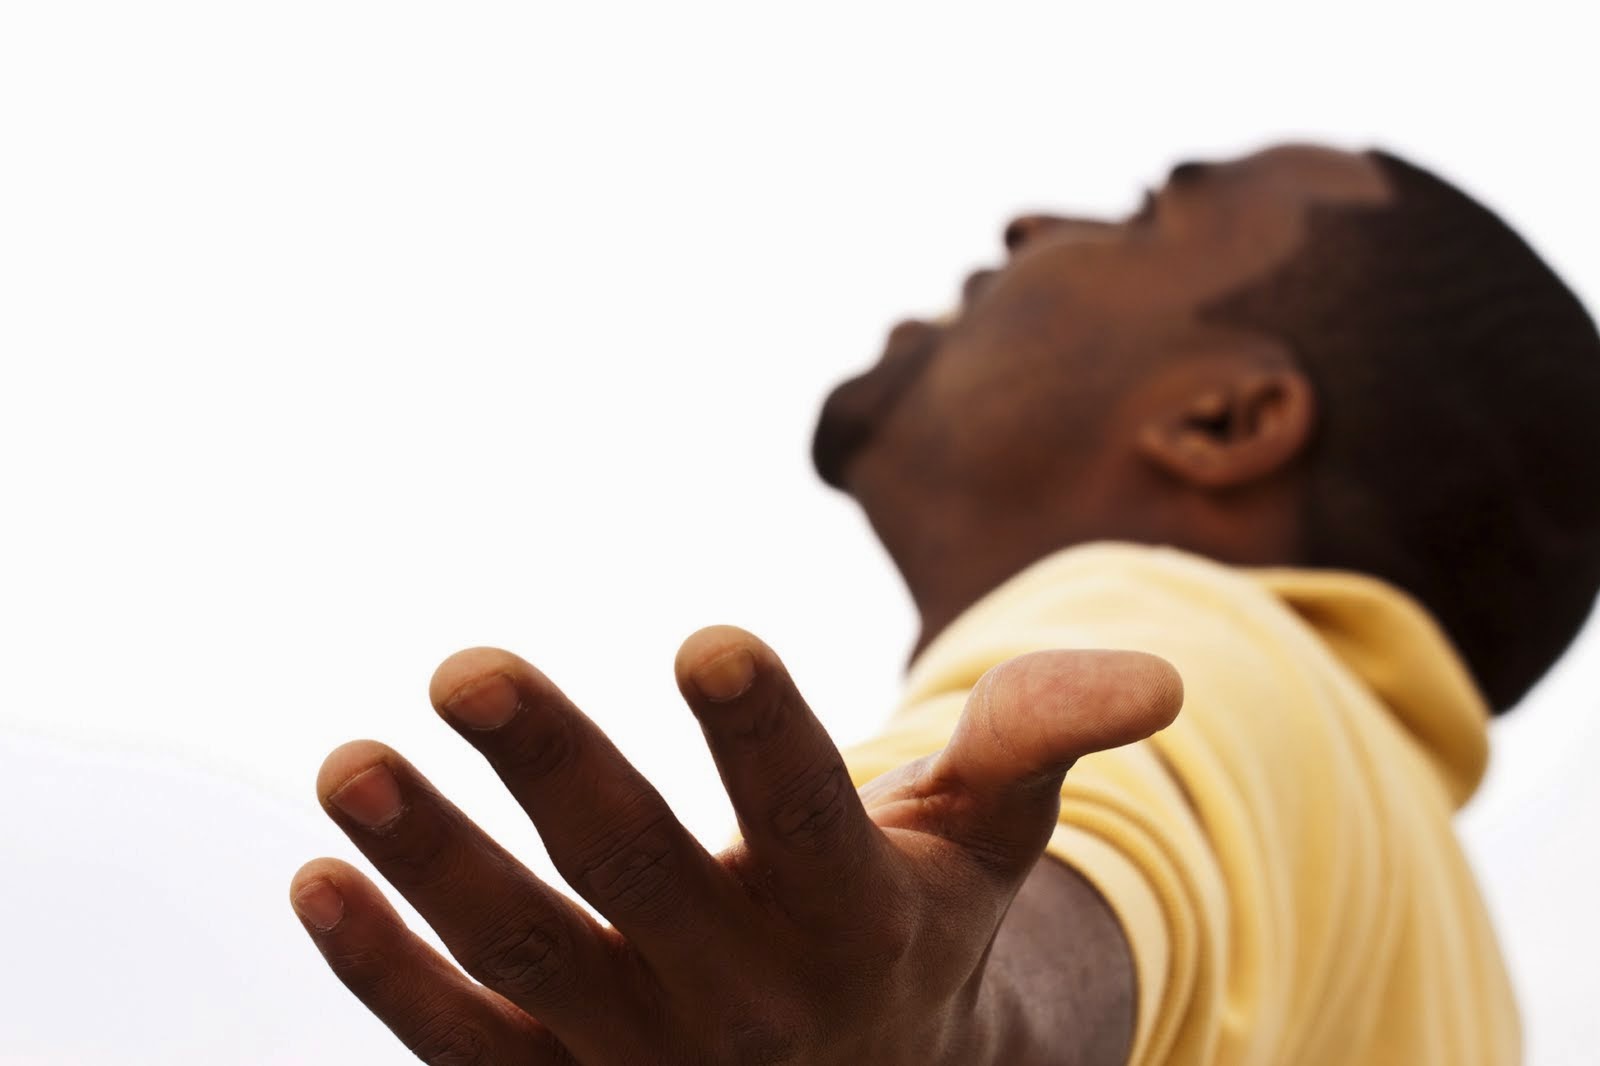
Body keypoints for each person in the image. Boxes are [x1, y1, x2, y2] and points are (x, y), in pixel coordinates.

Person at [286, 144, 1600, 1064]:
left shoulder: (1191, 633)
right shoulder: (1447, 956)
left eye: (1148, 214)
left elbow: (1070, 898)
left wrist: (945, 1016)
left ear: (1222, 421)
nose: (1032, 223)